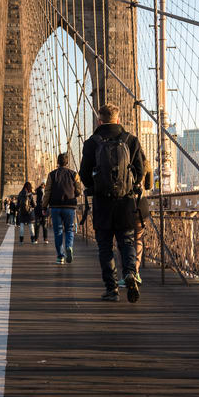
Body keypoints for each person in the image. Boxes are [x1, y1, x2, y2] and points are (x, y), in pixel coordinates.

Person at [79, 103, 148, 303]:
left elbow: (84, 174)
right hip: (126, 203)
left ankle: (112, 289)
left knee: (105, 247)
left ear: (99, 121)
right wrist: (129, 184)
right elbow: (140, 170)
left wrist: (95, 186)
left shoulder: (92, 142)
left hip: (102, 203)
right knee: (127, 242)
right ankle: (130, 274)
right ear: (118, 120)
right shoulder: (130, 140)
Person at [42, 152, 83, 264]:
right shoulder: (74, 174)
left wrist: (44, 206)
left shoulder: (51, 175)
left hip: (55, 207)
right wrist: (72, 194)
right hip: (70, 206)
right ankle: (69, 247)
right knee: (69, 229)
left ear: (57, 162)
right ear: (67, 162)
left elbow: (47, 192)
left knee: (58, 231)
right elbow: (79, 191)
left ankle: (60, 256)